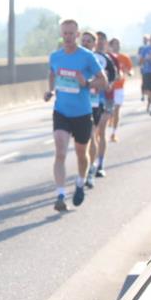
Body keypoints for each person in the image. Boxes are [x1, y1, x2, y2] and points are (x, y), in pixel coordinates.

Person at [46, 20, 107, 212]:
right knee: (61, 152)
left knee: (82, 155)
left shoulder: (87, 56)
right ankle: (61, 195)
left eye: (71, 34)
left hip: (82, 113)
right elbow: (52, 74)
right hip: (61, 112)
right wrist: (50, 91)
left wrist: (87, 83)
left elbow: (103, 82)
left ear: (77, 34)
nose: (68, 37)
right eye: (64, 33)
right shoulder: (55, 56)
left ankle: (80, 182)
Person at [85, 31, 118, 186]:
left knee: (99, 132)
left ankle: (99, 165)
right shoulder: (79, 58)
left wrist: (103, 85)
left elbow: (113, 77)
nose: (98, 43)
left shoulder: (106, 60)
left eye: (100, 41)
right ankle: (90, 166)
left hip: (103, 101)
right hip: (84, 102)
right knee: (90, 136)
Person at [108, 38, 132, 142]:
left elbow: (130, 70)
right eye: (114, 44)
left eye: (118, 44)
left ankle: (113, 134)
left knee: (117, 109)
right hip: (108, 88)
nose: (117, 46)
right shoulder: (107, 57)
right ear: (110, 45)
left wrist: (129, 73)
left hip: (119, 87)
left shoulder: (124, 57)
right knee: (109, 111)